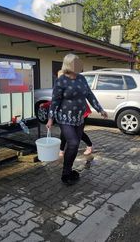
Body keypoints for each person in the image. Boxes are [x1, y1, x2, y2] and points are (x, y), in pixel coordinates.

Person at [46, 54, 107, 185]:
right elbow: (55, 101)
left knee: (75, 145)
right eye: (76, 62)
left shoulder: (82, 78)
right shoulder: (61, 80)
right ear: (68, 64)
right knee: (73, 143)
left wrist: (100, 109)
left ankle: (69, 170)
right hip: (64, 118)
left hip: (79, 118)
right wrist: (50, 118)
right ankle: (65, 173)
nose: (79, 65)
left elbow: (89, 95)